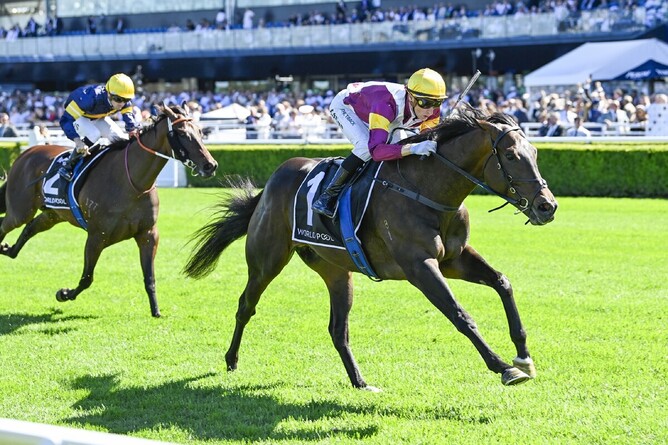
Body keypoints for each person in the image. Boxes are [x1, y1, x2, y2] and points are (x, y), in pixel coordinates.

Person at [312, 68, 445, 218]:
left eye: (438, 102)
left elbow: (426, 138)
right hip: (347, 107)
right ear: (411, 98)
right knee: (365, 147)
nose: (431, 110)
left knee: (402, 146)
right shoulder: (385, 104)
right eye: (425, 103)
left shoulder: (432, 109)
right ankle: (327, 196)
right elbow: (376, 151)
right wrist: (413, 148)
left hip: (388, 115)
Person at [58, 73, 139, 181]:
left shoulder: (123, 102)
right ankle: (68, 166)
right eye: (118, 99)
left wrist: (132, 130)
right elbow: (65, 120)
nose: (122, 104)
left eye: (126, 100)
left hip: (97, 117)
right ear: (109, 94)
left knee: (120, 139)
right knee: (94, 134)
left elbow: (128, 116)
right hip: (79, 117)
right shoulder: (89, 99)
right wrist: (78, 141)